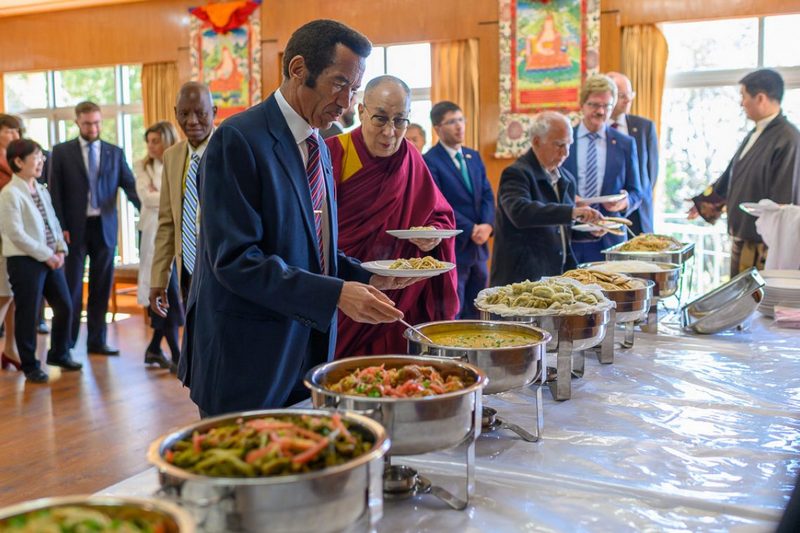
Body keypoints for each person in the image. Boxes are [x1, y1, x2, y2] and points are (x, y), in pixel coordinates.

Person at [182, 19, 410, 417]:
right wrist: (335, 294)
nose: (347, 102)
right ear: (299, 69)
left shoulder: (318, 146)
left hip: (306, 347)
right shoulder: (239, 140)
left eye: (355, 89)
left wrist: (366, 275)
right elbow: (234, 261)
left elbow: (311, 249)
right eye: (340, 83)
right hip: (248, 355)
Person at [327, 76, 458, 358]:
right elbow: (313, 228)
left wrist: (432, 235)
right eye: (380, 119)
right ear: (361, 111)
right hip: (350, 293)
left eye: (400, 121)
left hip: (402, 293)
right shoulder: (334, 153)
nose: (390, 132)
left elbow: (441, 215)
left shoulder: (411, 157)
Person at [49, 101, 140, 355]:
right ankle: (67, 343)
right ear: (77, 122)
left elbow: (130, 187)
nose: (93, 127)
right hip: (73, 230)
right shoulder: (61, 153)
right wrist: (60, 228)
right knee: (72, 287)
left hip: (104, 228)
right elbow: (55, 194)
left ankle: (97, 341)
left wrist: (149, 213)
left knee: (101, 286)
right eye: (88, 123)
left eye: (97, 122)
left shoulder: (114, 152)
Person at [689, 68, 800, 277]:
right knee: (739, 303)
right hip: (743, 236)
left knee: (756, 304)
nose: (741, 103)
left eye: (743, 96)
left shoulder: (788, 137)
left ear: (760, 98)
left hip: (763, 243)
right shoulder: (756, 133)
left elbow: (784, 199)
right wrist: (703, 202)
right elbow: (732, 175)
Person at [491, 112, 602, 286]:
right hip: (523, 277)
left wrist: (591, 230)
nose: (565, 152)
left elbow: (561, 230)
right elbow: (520, 212)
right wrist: (572, 212)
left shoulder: (566, 178)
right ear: (536, 142)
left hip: (558, 275)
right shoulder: (516, 173)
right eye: (559, 145)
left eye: (568, 145)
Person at [0, 139, 79, 383]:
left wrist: (61, 249)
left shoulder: (41, 188)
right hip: (24, 260)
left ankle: (59, 353)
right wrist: (48, 255)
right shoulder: (9, 193)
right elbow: (15, 234)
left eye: (41, 157)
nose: (41, 161)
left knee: (64, 305)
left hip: (50, 257)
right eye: (36, 157)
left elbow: (53, 221)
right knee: (29, 313)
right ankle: (30, 364)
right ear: (18, 161)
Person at [149, 82, 216, 324]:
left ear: (214, 112)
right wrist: (159, 279)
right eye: (184, 113)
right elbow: (168, 222)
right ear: (175, 111)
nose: (192, 121)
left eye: (201, 113)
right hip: (187, 271)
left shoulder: (232, 148)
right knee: (194, 339)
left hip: (222, 269)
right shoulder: (173, 156)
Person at [562, 74, 642, 264]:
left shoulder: (625, 144)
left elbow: (637, 192)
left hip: (610, 240)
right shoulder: (564, 140)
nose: (600, 111)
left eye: (606, 106)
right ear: (582, 105)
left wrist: (624, 202)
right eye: (594, 105)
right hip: (569, 239)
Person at [424, 101, 494, 318]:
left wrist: (487, 225)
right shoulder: (430, 160)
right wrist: (470, 228)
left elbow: (487, 195)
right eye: (452, 122)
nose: (459, 126)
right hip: (454, 246)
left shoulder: (473, 156)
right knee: (455, 307)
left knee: (480, 306)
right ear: (437, 128)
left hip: (479, 247)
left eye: (461, 120)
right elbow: (438, 203)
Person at [134, 121, 180, 370]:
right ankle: (176, 355)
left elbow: (178, 193)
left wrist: (161, 193)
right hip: (152, 234)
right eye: (148, 142)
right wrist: (171, 194)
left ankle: (154, 349)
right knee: (164, 289)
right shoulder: (142, 166)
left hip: (176, 234)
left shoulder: (177, 160)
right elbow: (146, 197)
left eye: (155, 141)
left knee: (171, 292)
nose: (151, 146)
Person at [607, 72, 659, 235]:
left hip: (639, 214)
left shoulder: (644, 127)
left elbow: (651, 172)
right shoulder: (596, 131)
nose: (628, 100)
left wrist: (636, 198)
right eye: (622, 95)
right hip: (608, 214)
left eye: (630, 94)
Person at [0, 115, 21, 371]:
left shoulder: (18, 160)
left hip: (13, 236)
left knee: (14, 295)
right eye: (9, 130)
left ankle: (10, 349)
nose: (15, 135)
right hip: (1, 233)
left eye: (17, 130)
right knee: (3, 295)